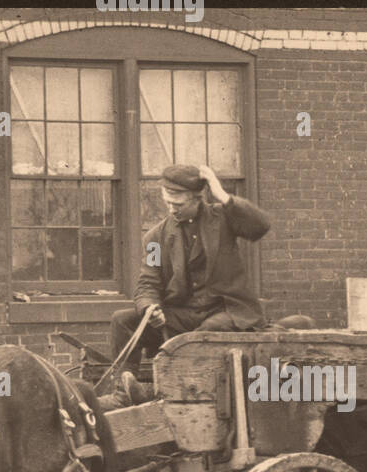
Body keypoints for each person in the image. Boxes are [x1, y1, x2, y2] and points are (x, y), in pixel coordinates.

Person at [99, 163, 271, 409]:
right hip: (183, 314)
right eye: (167, 203)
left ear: (197, 198)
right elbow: (148, 281)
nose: (171, 210)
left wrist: (221, 193)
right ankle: (123, 391)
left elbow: (260, 226)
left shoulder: (223, 219)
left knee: (207, 331)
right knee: (123, 320)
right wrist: (150, 307)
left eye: (178, 204)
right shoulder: (155, 239)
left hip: (226, 310)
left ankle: (171, 392)